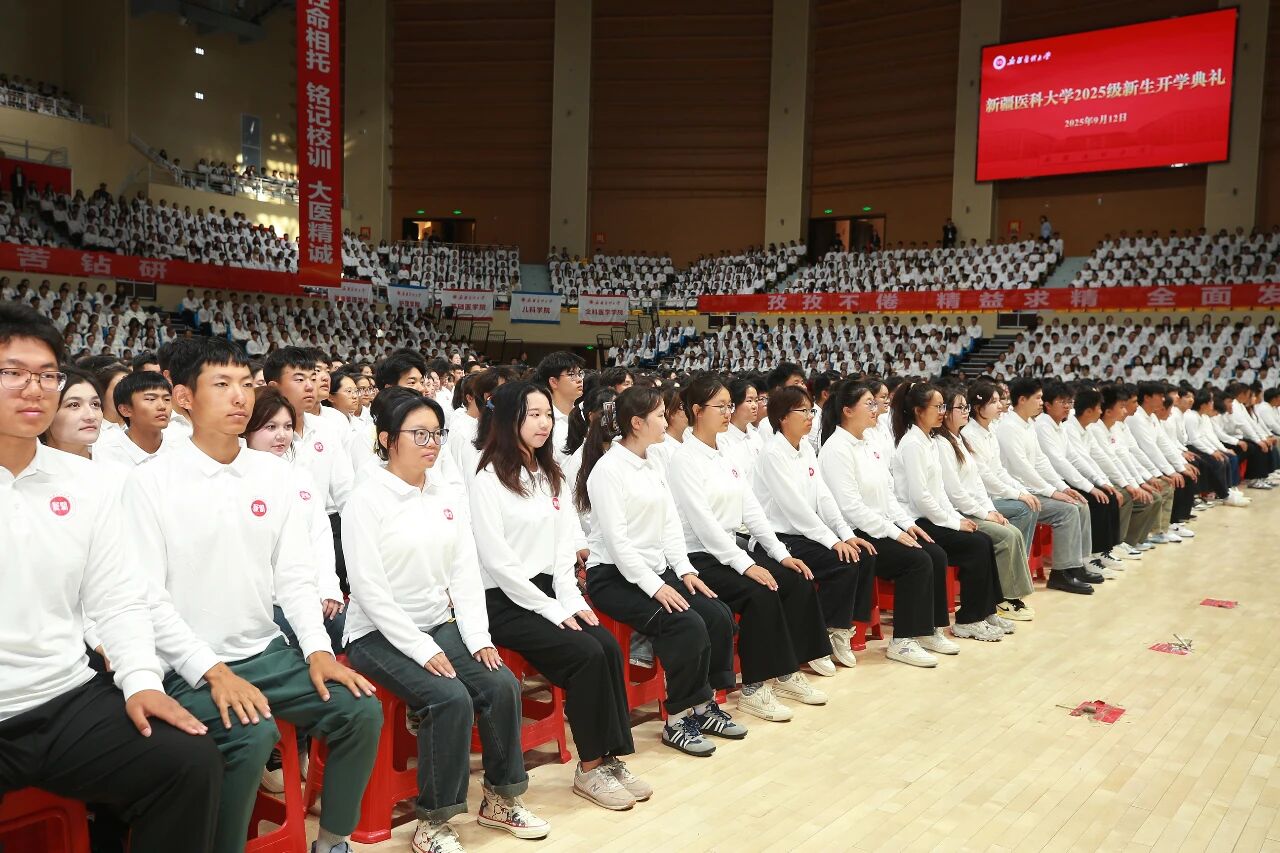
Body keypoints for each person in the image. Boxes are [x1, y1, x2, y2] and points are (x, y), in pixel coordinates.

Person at [123, 337, 381, 853]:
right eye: (221, 384)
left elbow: (295, 577)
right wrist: (211, 669)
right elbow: (147, 599)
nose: (239, 396)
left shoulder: (273, 474)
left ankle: (333, 841)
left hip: (264, 651)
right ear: (184, 398)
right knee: (251, 733)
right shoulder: (150, 482)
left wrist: (317, 649)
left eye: (245, 383)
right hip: (185, 664)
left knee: (360, 709)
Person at [0, 302, 223, 853]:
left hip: (64, 696)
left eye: (47, 375)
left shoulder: (88, 482)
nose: (34, 389)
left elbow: (117, 598)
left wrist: (142, 681)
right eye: (13, 373)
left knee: (187, 761)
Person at [343, 388, 548, 851]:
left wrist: (478, 637)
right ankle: (434, 822)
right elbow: (370, 593)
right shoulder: (367, 499)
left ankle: (501, 798)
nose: (431, 443)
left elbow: (464, 573)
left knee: (501, 684)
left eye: (436, 434)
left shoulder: (445, 494)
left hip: (438, 624)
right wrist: (422, 648)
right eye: (419, 434)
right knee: (449, 699)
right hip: (377, 633)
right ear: (386, 439)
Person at [470, 381, 651, 811]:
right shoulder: (487, 480)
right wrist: (552, 609)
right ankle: (589, 768)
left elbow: (563, 550)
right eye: (533, 414)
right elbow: (499, 564)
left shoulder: (549, 474)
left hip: (550, 591)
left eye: (547, 415)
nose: (544, 423)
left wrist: (571, 601)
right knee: (585, 655)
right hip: (506, 600)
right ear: (509, 419)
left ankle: (610, 759)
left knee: (606, 646)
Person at [578, 386, 745, 757]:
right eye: (658, 415)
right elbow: (619, 545)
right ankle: (677, 720)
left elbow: (670, 524)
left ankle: (703, 706)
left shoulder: (653, 460)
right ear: (637, 423)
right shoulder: (608, 471)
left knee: (716, 613)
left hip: (652, 571)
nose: (666, 421)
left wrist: (684, 570)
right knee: (685, 624)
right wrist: (656, 587)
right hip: (614, 576)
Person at [668, 374, 833, 722]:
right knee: (760, 592)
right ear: (697, 410)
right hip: (699, 557)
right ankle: (754, 689)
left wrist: (781, 554)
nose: (728, 412)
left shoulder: (726, 450)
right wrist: (746, 565)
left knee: (796, 579)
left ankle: (788, 671)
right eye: (720, 406)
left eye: (730, 405)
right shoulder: (684, 459)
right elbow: (704, 525)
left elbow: (752, 508)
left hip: (729, 550)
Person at [817, 379, 956, 665]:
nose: (875, 408)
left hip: (879, 525)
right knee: (916, 561)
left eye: (875, 402)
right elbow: (851, 507)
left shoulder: (868, 442)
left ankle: (928, 629)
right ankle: (903, 641)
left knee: (935, 553)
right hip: (855, 531)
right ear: (847, 411)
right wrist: (892, 532)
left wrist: (906, 524)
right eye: (868, 403)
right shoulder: (836, 449)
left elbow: (888, 493)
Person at [753, 384, 868, 670]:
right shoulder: (772, 453)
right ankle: (816, 642)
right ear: (782, 417)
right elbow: (796, 509)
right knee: (836, 562)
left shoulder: (805, 447)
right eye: (802, 411)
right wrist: (832, 541)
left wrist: (845, 534)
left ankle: (835, 629)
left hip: (804, 533)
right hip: (778, 537)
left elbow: (823, 496)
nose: (809, 416)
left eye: (811, 410)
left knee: (855, 556)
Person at [888, 381, 1005, 641]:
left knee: (983, 540)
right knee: (975, 545)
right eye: (938, 407)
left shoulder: (928, 440)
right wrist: (953, 523)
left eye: (943, 406)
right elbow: (920, 498)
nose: (943, 412)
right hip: (916, 519)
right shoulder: (912, 444)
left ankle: (984, 611)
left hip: (932, 516)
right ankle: (968, 620)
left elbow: (938, 491)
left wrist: (956, 517)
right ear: (919, 410)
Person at [936, 385, 1035, 620]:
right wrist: (984, 513)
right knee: (1007, 535)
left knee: (1012, 531)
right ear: (946, 412)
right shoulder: (942, 443)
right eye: (960, 407)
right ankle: (1003, 598)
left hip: (975, 507)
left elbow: (978, 483)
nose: (965, 411)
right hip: (959, 512)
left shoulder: (959, 439)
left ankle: (1011, 595)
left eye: (966, 407)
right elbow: (955, 492)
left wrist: (990, 510)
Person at [995, 377, 1100, 594]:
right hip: (1015, 493)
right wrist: (1052, 492)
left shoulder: (1028, 424)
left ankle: (1078, 565)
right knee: (1067, 511)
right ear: (1022, 400)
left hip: (1032, 489)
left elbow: (1041, 462)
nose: (1041, 403)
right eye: (1038, 398)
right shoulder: (1008, 427)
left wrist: (1062, 487)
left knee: (1080, 503)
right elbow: (1023, 468)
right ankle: (1060, 574)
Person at [95, 371, 174, 467]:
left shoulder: (181, 449)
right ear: (125, 410)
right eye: (150, 399)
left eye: (167, 399)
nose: (162, 406)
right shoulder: (104, 457)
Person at [39, 366, 104, 460]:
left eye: (95, 404)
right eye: (74, 405)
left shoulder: (116, 466)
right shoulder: (26, 467)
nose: (91, 416)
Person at [533, 350, 585, 460]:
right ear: (554, 382)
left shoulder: (584, 415)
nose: (579, 380)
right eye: (571, 375)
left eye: (580, 374)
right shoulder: (546, 422)